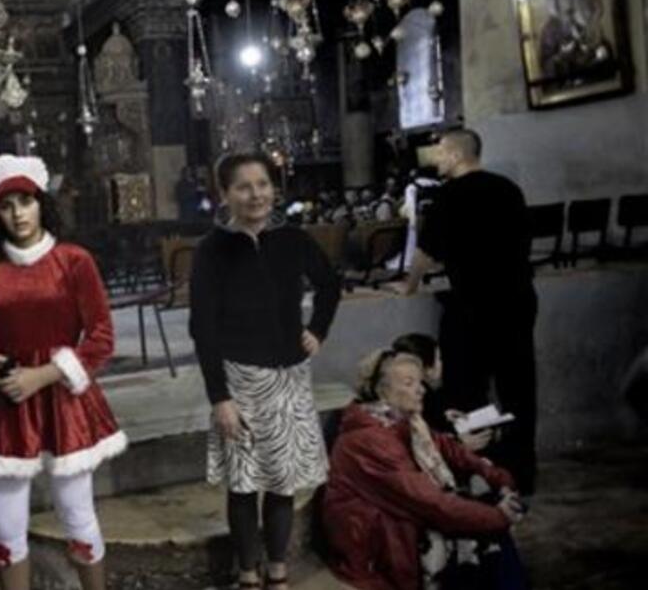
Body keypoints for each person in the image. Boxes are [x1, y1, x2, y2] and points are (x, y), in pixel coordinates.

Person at [0, 155, 126, 590]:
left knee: (78, 515)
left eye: (25, 202)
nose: (17, 214)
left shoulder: (74, 261)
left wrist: (46, 374)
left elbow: (102, 337)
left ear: (42, 204)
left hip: (64, 401)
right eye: (6, 205)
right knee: (6, 527)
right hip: (6, 405)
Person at [189, 151, 341, 590]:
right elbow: (203, 328)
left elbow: (330, 283)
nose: (256, 194)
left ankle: (277, 571)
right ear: (225, 194)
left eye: (263, 184)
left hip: (290, 378)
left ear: (274, 188)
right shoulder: (212, 250)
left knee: (283, 480)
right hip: (238, 379)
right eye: (243, 186)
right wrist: (219, 396)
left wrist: (318, 330)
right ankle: (248, 574)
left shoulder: (292, 239)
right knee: (242, 484)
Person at [404, 129, 539, 493]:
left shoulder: (448, 196)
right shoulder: (509, 189)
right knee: (519, 388)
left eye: (440, 152)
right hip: (517, 300)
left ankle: (479, 472)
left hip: (474, 305)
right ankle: (523, 474)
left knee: (466, 390)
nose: (436, 159)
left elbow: (425, 255)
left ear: (455, 154)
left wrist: (408, 287)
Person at [323, 350, 527, 590]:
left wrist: (498, 478)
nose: (420, 390)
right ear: (381, 390)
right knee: (485, 531)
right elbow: (428, 502)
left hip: (402, 515)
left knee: (487, 517)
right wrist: (498, 517)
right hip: (376, 543)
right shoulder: (368, 440)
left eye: (420, 382)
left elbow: (451, 449)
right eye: (409, 383)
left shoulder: (404, 420)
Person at [392, 332, 493, 452]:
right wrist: (460, 445)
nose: (441, 364)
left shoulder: (426, 394)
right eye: (439, 359)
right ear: (427, 368)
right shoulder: (420, 397)